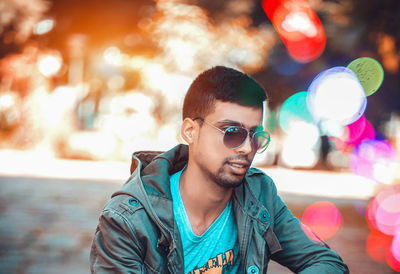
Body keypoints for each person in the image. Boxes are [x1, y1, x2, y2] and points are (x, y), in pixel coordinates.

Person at [90, 66, 349, 273]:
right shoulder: (127, 220)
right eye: (232, 133)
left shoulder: (259, 195)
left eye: (255, 135)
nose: (247, 148)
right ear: (190, 131)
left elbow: (327, 262)